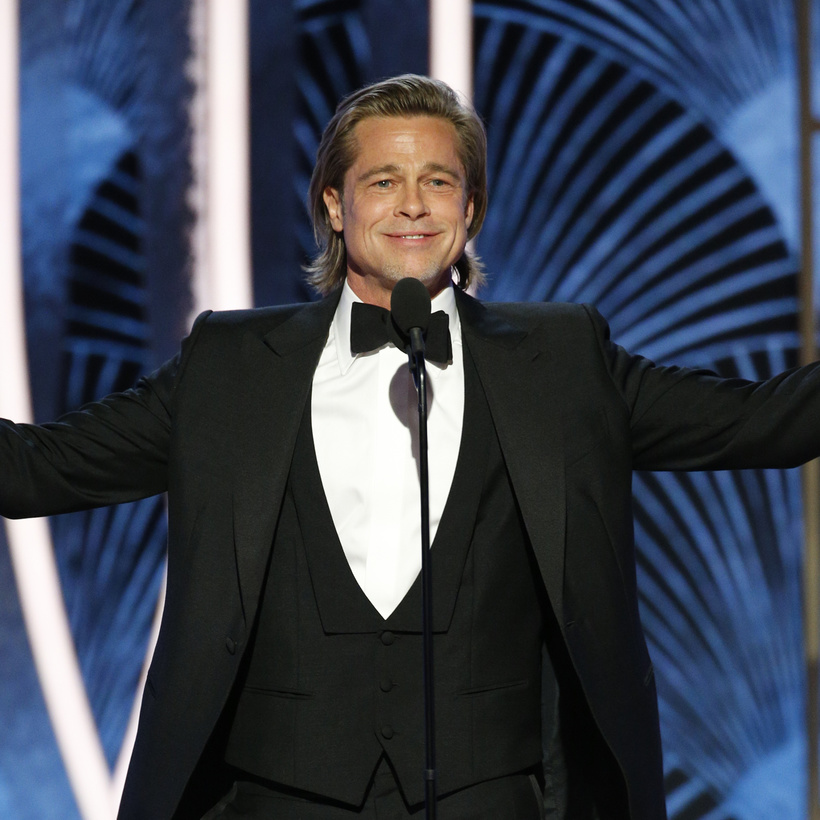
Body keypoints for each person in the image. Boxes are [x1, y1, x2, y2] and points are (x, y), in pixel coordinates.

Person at [2, 74, 819, 820]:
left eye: (439, 182)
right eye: (384, 182)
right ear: (334, 205)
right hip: (276, 800)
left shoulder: (564, 361)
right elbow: (37, 469)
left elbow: (763, 421)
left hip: (488, 799)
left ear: (472, 209)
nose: (414, 207)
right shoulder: (231, 366)